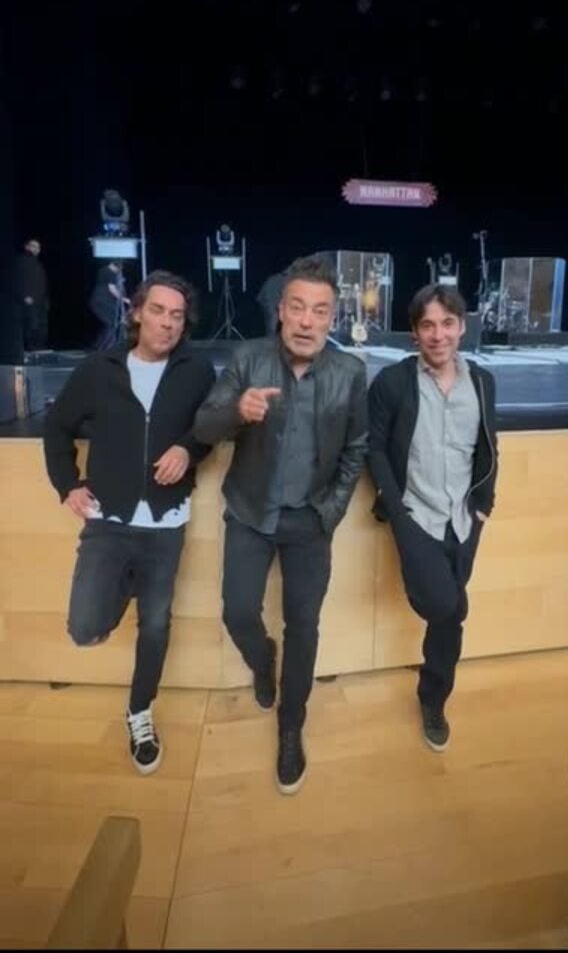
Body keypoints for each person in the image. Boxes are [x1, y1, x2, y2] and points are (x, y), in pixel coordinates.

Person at [193, 255, 368, 794]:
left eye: (320, 311)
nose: (307, 321)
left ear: (333, 318)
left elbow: (356, 449)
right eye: (297, 307)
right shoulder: (248, 360)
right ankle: (262, 658)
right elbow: (203, 426)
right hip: (250, 513)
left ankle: (292, 725)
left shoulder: (349, 372)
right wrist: (235, 412)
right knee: (237, 611)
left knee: (304, 626)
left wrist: (330, 512)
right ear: (281, 312)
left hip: (310, 521)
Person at [43, 270, 216, 774]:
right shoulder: (100, 369)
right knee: (84, 628)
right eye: (157, 311)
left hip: (167, 523)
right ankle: (130, 583)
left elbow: (209, 428)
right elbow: (58, 427)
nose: (167, 323)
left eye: (177, 315)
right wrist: (67, 484)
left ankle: (140, 711)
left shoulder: (197, 371)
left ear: (185, 324)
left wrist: (188, 449)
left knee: (156, 623)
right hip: (109, 520)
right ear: (137, 313)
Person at [367, 283, 498, 752]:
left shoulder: (482, 382)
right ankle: (434, 682)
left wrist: (483, 505)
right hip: (416, 517)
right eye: (428, 325)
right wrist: (397, 512)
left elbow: (488, 447)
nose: (438, 334)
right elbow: (374, 449)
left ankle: (433, 700)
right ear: (414, 332)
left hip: (463, 519)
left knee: (449, 618)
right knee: (447, 607)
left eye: (447, 323)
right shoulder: (393, 382)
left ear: (462, 327)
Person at [89, 260, 129, 350]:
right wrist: (124, 299)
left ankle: (100, 346)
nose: (120, 270)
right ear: (117, 266)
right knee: (113, 323)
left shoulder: (103, 270)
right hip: (103, 302)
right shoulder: (110, 273)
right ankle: (106, 348)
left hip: (99, 301)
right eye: (120, 267)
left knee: (110, 324)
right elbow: (112, 290)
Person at [17, 238, 49, 350]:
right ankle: (30, 348)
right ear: (26, 247)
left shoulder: (37, 263)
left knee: (42, 325)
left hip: (41, 301)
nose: (36, 249)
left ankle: (39, 348)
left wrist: (46, 300)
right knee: (31, 324)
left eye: (38, 247)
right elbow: (17, 279)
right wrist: (25, 295)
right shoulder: (21, 260)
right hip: (29, 299)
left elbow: (41, 282)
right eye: (33, 246)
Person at [255, 269, 286, 335]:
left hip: (268, 299)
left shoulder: (276, 279)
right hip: (270, 299)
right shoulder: (279, 281)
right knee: (272, 319)